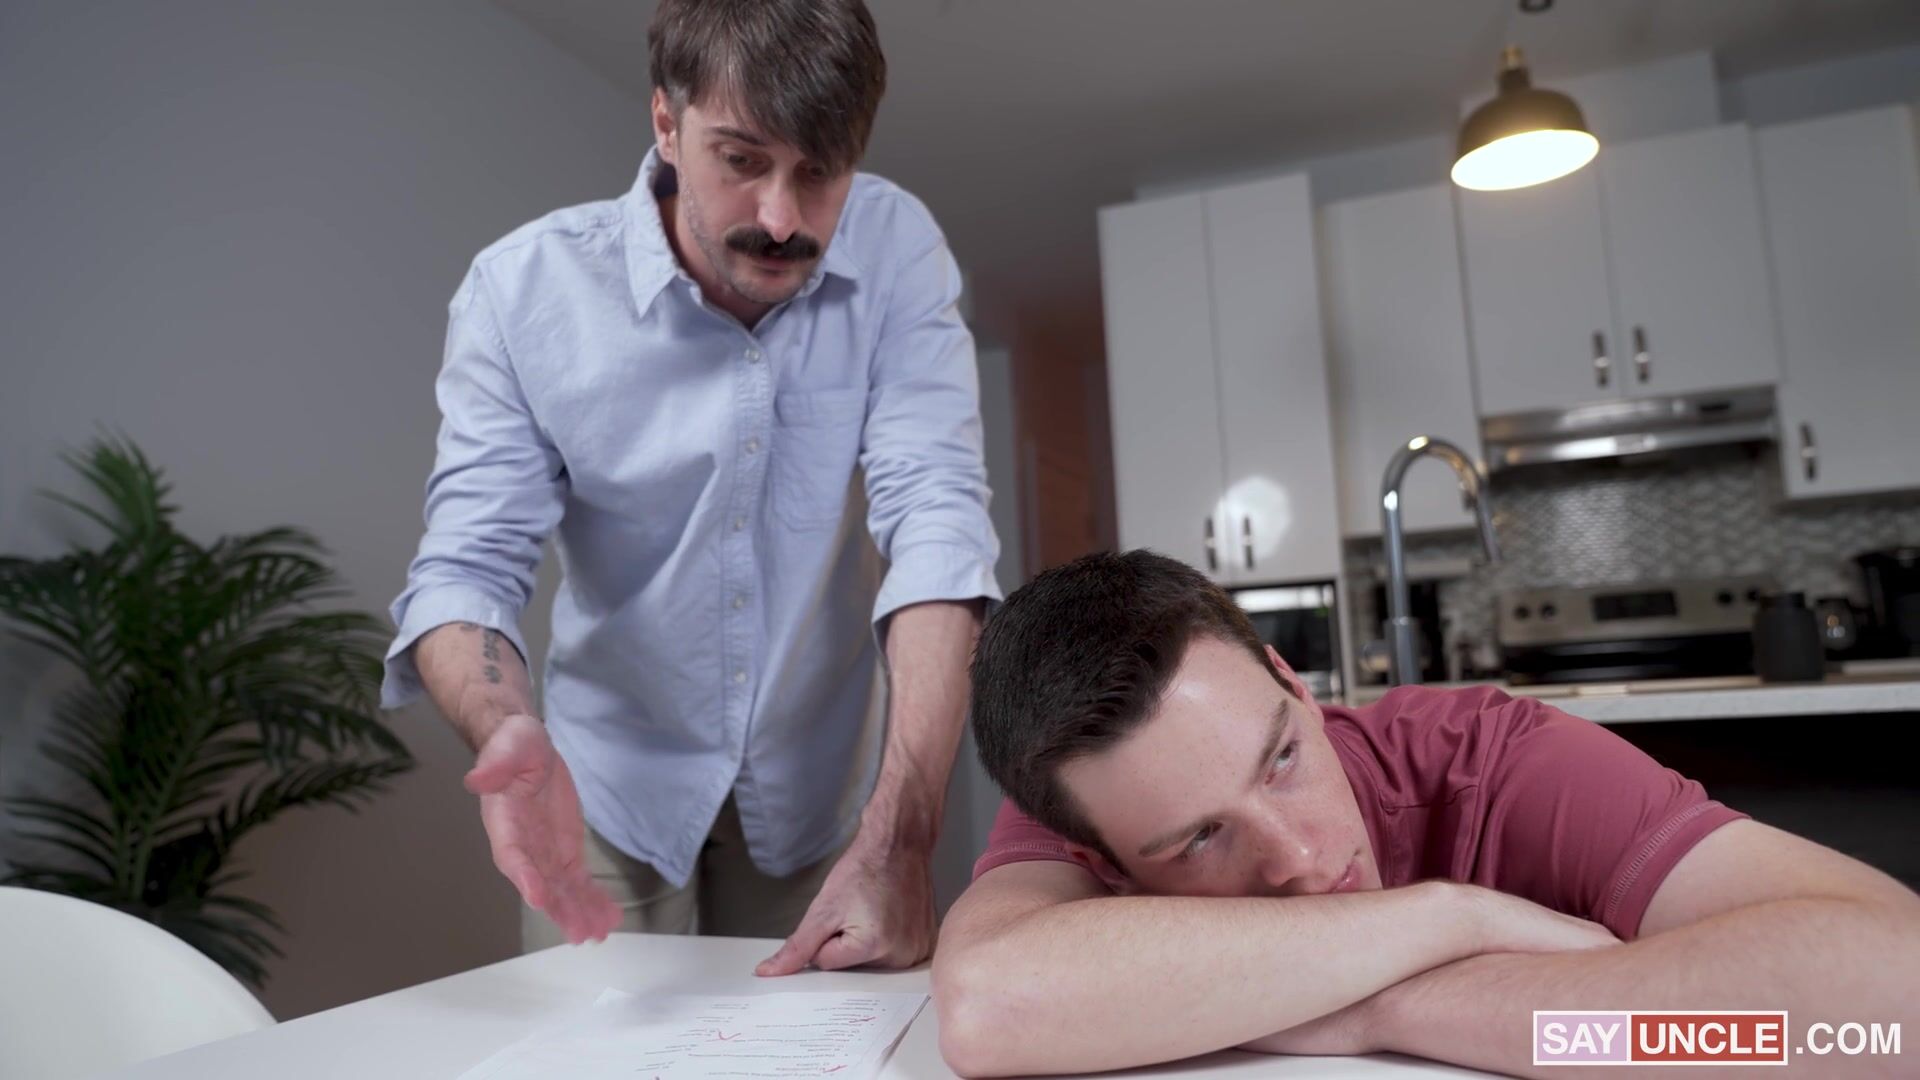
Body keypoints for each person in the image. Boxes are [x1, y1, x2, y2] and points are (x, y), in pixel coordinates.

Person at [381, 0, 998, 977]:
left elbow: (938, 524)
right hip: (605, 791)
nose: (782, 219)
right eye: (742, 159)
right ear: (667, 124)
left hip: (820, 789)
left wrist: (904, 835)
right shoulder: (522, 292)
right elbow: (467, 570)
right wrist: (506, 732)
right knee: (603, 1047)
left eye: (820, 172)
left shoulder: (896, 248)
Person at [933, 550, 1919, 1077]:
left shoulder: (1500, 761)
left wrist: (1391, 1007)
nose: (1302, 860)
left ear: (1294, 682)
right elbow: (988, 1007)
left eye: (1282, 760)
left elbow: (1893, 1006)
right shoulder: (1092, 784)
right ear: (1100, 857)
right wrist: (1459, 921)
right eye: (1200, 839)